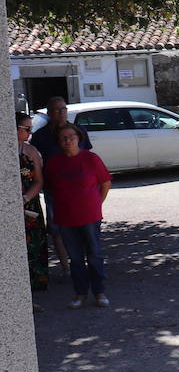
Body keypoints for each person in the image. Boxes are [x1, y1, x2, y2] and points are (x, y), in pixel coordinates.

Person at [46, 124, 112, 309]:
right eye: (64, 138)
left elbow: (105, 183)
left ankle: (99, 292)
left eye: (71, 136)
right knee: (75, 258)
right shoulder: (53, 163)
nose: (68, 140)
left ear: (79, 137)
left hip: (90, 215)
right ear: (59, 142)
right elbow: (50, 188)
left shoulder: (91, 159)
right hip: (66, 217)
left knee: (94, 254)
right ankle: (80, 293)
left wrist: (97, 203)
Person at [31, 96, 90, 275]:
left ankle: (83, 264)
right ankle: (66, 268)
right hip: (54, 190)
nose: (61, 113)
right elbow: (36, 163)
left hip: (79, 190)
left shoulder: (78, 131)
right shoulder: (41, 136)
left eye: (63, 109)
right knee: (57, 229)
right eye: (56, 110)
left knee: (83, 226)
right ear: (49, 114)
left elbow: (86, 158)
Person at [17, 112, 48, 295]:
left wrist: (25, 199)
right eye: (26, 129)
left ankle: (34, 290)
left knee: (34, 246)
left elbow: (39, 181)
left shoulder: (31, 151)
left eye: (31, 129)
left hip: (30, 204)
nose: (30, 133)